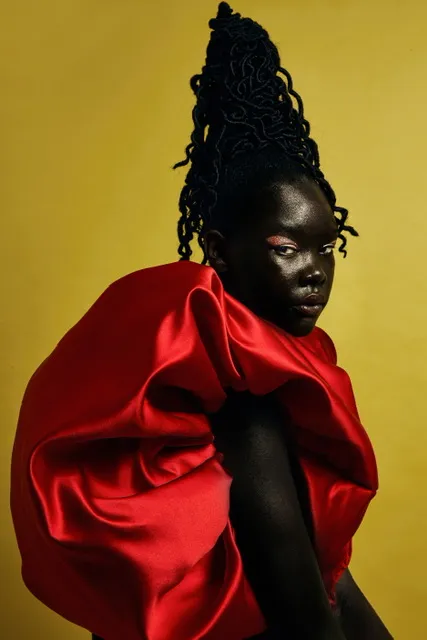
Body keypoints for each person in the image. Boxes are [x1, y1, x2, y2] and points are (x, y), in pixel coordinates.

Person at [11, 3, 392, 639]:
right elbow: (310, 619)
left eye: (327, 246)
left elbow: (326, 584)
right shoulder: (244, 413)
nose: (314, 272)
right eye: (284, 247)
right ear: (217, 251)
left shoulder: (246, 391)